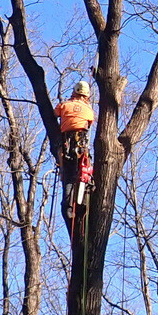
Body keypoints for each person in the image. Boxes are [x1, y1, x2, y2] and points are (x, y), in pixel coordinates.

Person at [54, 81, 94, 220]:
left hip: (67, 146)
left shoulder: (64, 105)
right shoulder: (89, 110)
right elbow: (89, 123)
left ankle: (68, 206)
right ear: (86, 95)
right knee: (84, 173)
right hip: (81, 146)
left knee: (69, 176)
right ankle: (82, 203)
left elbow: (54, 114)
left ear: (74, 92)